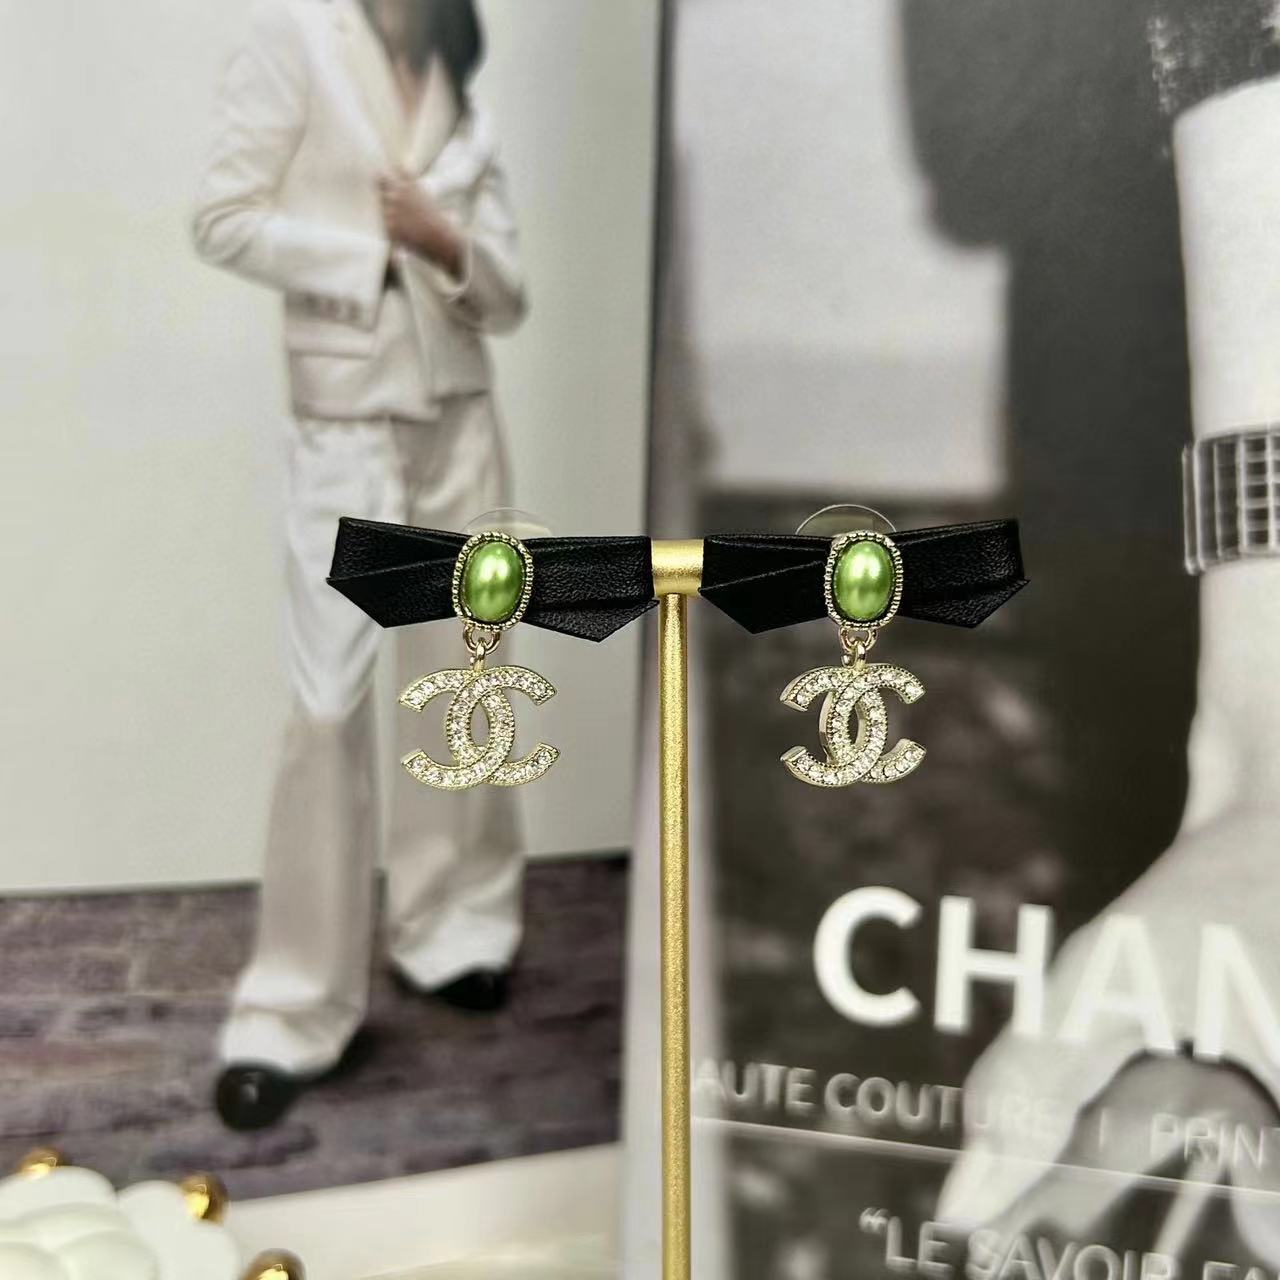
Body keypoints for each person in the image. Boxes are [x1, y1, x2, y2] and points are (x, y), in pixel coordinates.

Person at [192, 0, 529, 1130]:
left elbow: (507, 293)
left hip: (462, 417)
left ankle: (455, 928)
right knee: (327, 705)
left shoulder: (455, 64)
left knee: (466, 679)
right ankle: (292, 1007)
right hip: (346, 423)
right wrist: (372, 257)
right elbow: (224, 217)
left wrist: (445, 243)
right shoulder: (292, 35)